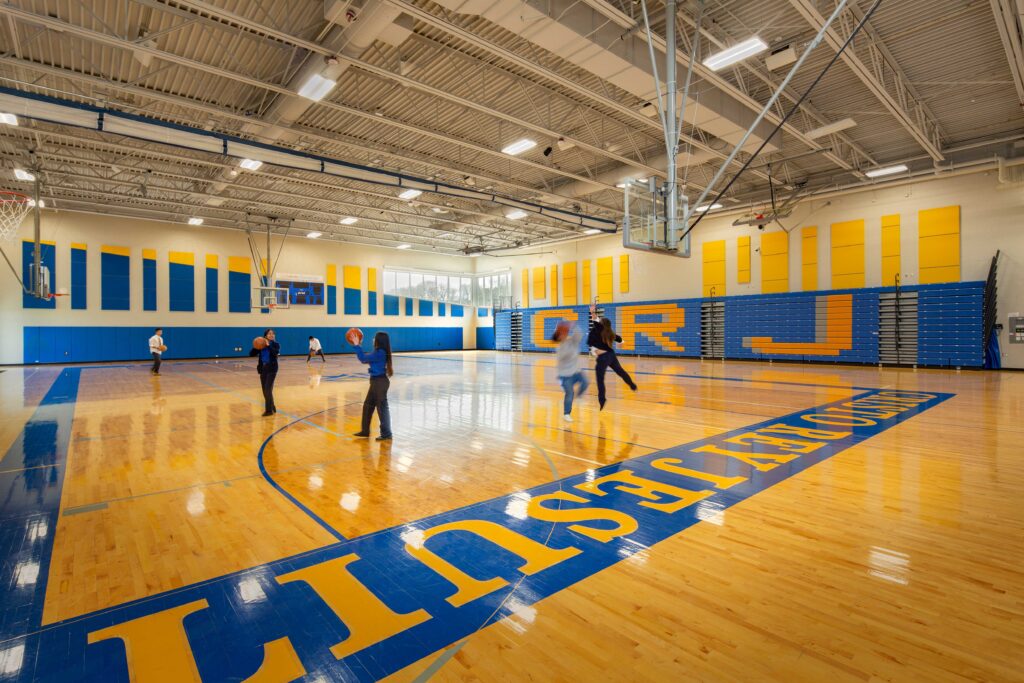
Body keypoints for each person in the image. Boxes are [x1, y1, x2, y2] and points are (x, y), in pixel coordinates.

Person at [587, 305, 637, 410]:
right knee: (621, 372)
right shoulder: (611, 333)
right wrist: (621, 343)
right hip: (611, 355)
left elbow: (595, 319)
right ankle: (632, 385)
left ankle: (602, 400)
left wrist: (592, 311)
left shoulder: (599, 330)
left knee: (600, 380)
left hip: (603, 358)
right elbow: (621, 340)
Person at [351, 331, 393, 441]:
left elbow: (363, 358)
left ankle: (387, 434)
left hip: (380, 383)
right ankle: (365, 431)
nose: (373, 339)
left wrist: (356, 345)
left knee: (382, 409)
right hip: (375, 382)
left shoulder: (380, 352)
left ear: (379, 340)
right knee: (368, 406)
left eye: (375, 337)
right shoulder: (378, 352)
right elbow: (366, 360)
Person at [554, 321, 588, 422]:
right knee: (569, 393)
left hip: (576, 371)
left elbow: (579, 334)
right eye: (561, 334)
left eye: (565, 333)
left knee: (585, 383)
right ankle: (566, 414)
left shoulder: (572, 341)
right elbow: (567, 355)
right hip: (565, 375)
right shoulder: (560, 348)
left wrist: (573, 326)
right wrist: (572, 344)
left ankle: (579, 396)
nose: (564, 335)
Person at [250, 329, 280, 417]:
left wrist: (268, 346)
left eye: (273, 334)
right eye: (269, 333)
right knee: (265, 390)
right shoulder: (261, 345)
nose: (271, 335)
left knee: (267, 389)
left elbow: (275, 353)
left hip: (272, 368)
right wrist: (256, 346)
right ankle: (272, 406)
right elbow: (251, 354)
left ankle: (268, 410)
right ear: (265, 335)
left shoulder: (275, 344)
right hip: (263, 369)